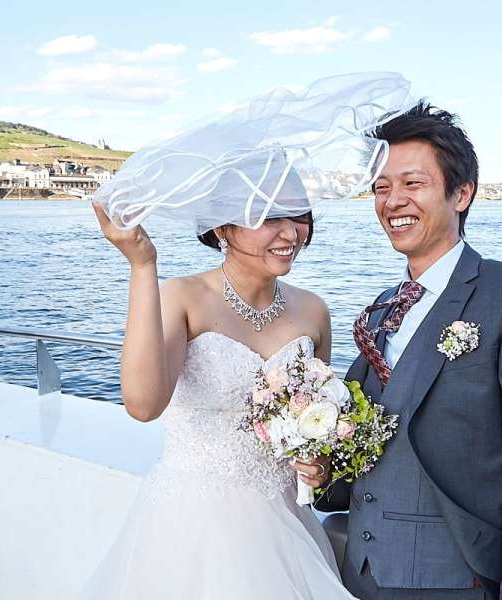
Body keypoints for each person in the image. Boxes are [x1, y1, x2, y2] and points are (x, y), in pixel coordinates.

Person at [314, 102, 502, 599]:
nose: (393, 201)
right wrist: (322, 470)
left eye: (412, 183)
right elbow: (369, 438)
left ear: (462, 193)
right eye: (381, 187)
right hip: (360, 575)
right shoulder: (381, 311)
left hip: (460, 580)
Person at [83, 174, 355, 598]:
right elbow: (143, 405)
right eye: (269, 217)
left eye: (298, 215)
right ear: (222, 226)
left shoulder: (313, 310)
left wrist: (318, 464)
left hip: (286, 526)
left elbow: (317, 424)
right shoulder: (183, 296)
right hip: (194, 523)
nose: (290, 233)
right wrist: (142, 265)